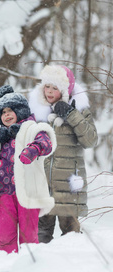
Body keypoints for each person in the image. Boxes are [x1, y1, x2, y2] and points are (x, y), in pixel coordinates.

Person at [0, 85, 57, 253]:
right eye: (3, 112)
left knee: (28, 237)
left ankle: (29, 265)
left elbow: (46, 143)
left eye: (10, 110)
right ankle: (5, 265)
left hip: (27, 192)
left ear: (20, 111)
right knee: (5, 237)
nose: (6, 115)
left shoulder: (31, 129)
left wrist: (33, 149)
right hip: (4, 195)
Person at [29, 64, 98, 243]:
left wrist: (71, 114)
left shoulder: (79, 109)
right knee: (40, 238)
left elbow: (90, 140)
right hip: (43, 186)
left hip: (68, 186)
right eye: (47, 86)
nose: (49, 91)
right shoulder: (35, 111)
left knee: (72, 239)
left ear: (65, 90)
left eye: (55, 88)